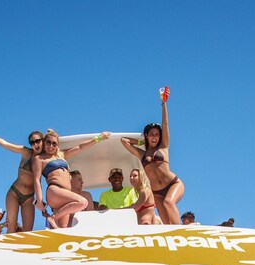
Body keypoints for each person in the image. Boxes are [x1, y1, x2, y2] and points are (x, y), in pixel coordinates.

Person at [120, 89, 184, 224]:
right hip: (156, 192)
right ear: (147, 136)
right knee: (166, 225)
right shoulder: (142, 154)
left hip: (173, 184)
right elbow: (124, 141)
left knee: (169, 202)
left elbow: (165, 124)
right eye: (151, 134)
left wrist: (163, 104)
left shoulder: (164, 147)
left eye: (156, 134)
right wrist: (141, 141)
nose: (154, 137)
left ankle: (180, 233)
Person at [33, 129, 110, 228]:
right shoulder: (39, 159)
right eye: (48, 142)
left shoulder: (62, 155)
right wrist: (39, 200)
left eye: (54, 143)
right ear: (44, 143)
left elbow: (80, 147)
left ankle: (53, 222)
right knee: (82, 202)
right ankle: (53, 217)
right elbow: (36, 180)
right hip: (55, 191)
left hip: (65, 195)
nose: (51, 146)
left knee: (63, 228)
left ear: (57, 146)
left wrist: (99, 138)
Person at [0, 127, 44, 233]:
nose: (35, 144)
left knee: (28, 231)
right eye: (32, 142)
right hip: (14, 193)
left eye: (37, 141)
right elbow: (5, 144)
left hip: (29, 197)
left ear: (43, 141)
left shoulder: (47, 158)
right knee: (11, 226)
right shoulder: (26, 152)